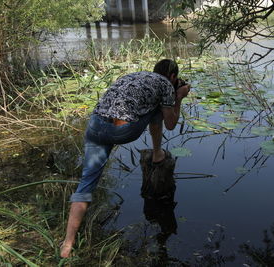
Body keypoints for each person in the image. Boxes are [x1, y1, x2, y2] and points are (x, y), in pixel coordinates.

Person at [60, 59, 190, 258]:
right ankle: (157, 154)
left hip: (95, 125)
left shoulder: (135, 76)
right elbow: (171, 124)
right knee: (158, 109)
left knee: (86, 185)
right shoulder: (165, 84)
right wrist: (178, 96)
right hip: (122, 131)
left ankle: (67, 245)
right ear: (172, 77)